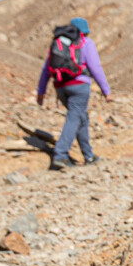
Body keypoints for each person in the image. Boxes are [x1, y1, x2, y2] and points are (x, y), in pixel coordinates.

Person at [36, 17, 112, 171]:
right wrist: (106, 91)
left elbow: (46, 69)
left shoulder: (59, 44)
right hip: (79, 85)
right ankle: (60, 155)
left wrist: (41, 92)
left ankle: (88, 155)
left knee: (80, 118)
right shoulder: (86, 43)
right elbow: (95, 67)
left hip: (60, 86)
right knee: (74, 117)